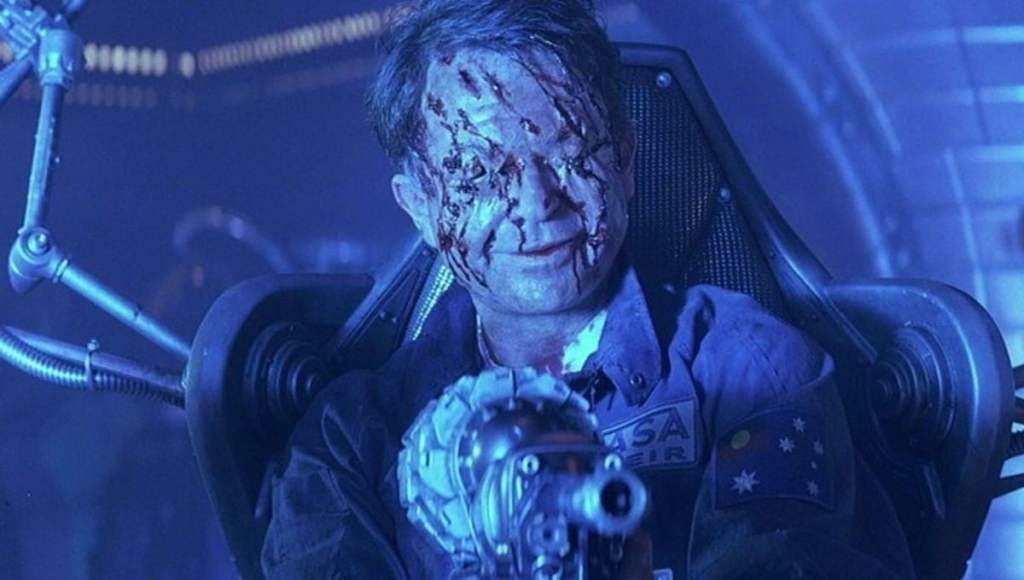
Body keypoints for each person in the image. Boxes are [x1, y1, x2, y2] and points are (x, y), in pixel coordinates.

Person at [261, 1, 915, 578]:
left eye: (568, 153)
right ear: (422, 209)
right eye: (479, 174)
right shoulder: (351, 439)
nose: (536, 202)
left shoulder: (754, 375)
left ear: (625, 160)